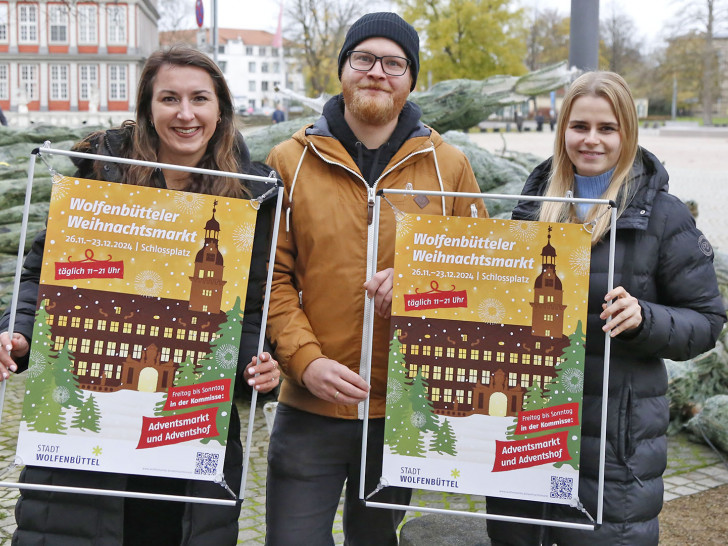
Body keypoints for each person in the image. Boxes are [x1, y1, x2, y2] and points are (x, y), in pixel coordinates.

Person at [0, 45, 281, 545]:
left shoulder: (249, 197)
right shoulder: (99, 176)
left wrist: (258, 363)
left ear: (221, 109)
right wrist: (18, 332)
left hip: (187, 435)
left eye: (200, 98)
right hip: (87, 455)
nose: (185, 113)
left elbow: (253, 311)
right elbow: (41, 276)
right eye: (169, 98)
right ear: (149, 109)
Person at [263, 12, 488, 546]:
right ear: (343, 70)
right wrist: (305, 361)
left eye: (394, 63)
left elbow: (481, 273)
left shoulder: (447, 166)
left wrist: (420, 282)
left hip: (401, 408)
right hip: (310, 405)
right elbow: (269, 277)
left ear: (411, 78)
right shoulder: (289, 161)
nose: (377, 73)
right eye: (363, 59)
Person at [486, 71, 726, 546]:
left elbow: (707, 320)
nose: (591, 140)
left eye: (607, 128)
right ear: (562, 132)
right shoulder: (533, 207)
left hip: (615, 445)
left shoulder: (663, 214)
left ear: (627, 133)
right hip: (529, 429)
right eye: (579, 127)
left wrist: (647, 319)